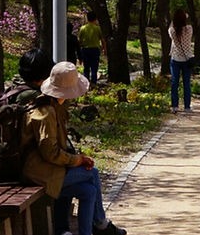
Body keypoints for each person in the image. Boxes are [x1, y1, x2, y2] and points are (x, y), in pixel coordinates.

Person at [21, 61, 127, 235]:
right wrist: (77, 160)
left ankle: (90, 231)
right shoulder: (45, 112)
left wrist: (77, 160)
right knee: (92, 173)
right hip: (38, 174)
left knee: (88, 191)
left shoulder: (54, 106)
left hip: (49, 170)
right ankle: (100, 223)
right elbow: (50, 153)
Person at [168, 8, 194, 114]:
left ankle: (175, 106)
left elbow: (171, 27)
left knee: (175, 83)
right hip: (187, 59)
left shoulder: (172, 31)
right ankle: (187, 106)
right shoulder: (189, 29)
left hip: (175, 59)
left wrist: (174, 20)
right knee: (186, 83)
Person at [76, 12, 104, 87]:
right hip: (95, 50)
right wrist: (104, 49)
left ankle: (86, 83)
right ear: (95, 19)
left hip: (85, 50)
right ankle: (94, 82)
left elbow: (79, 40)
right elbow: (102, 40)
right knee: (94, 67)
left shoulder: (83, 28)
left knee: (86, 67)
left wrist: (79, 49)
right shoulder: (97, 28)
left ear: (87, 18)